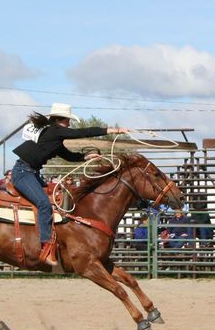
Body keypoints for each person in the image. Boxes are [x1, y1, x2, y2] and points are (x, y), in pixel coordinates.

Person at [11, 103, 128, 266]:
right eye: (68, 121)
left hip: (30, 172)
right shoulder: (54, 131)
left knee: (54, 201)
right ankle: (45, 246)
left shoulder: (54, 137)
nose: (69, 124)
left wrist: (85, 157)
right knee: (44, 204)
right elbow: (82, 132)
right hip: (23, 173)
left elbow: (69, 156)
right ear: (62, 120)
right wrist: (110, 130)